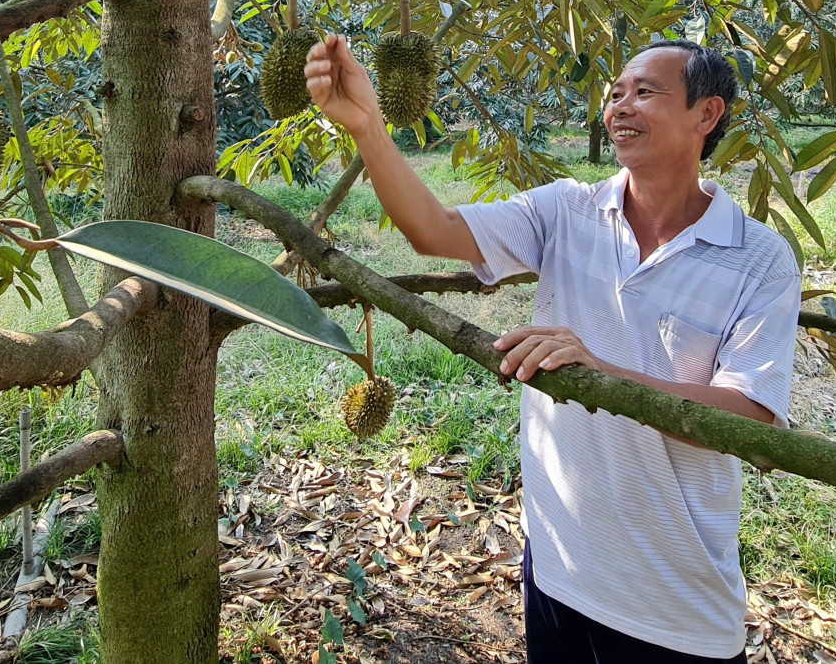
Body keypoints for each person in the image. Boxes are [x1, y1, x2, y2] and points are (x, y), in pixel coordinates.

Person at [304, 35, 801, 662]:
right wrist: (369, 126)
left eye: (645, 92)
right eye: (615, 93)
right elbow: (434, 231)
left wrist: (604, 371)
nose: (620, 107)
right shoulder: (568, 210)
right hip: (558, 570)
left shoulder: (758, 259)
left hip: (675, 607)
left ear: (707, 114)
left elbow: (751, 421)